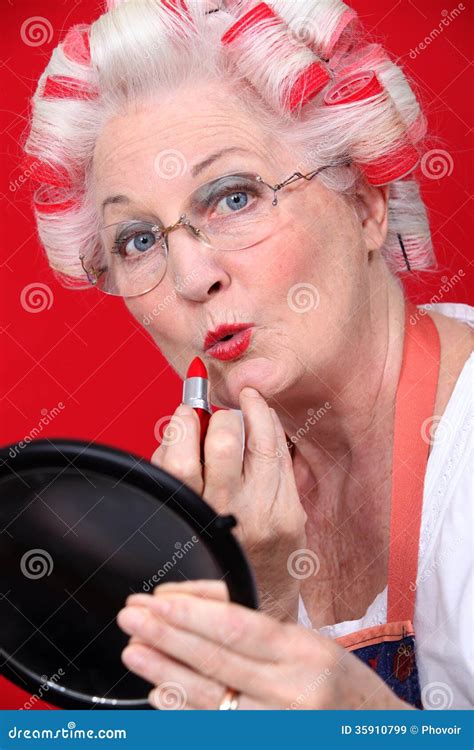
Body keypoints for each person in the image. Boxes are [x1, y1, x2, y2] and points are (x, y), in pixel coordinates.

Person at [23, 0, 473, 710]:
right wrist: (238, 592)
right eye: (138, 239)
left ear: (365, 200)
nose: (191, 277)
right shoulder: (209, 515)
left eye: (233, 197)